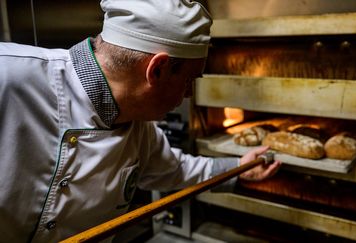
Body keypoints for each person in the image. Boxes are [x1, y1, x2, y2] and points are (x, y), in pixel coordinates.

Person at [0, 0, 281, 242]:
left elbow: (177, 169)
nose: (188, 95)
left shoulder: (139, 128)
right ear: (156, 70)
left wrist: (238, 168)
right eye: (188, 81)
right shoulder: (9, 77)